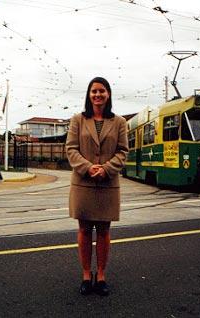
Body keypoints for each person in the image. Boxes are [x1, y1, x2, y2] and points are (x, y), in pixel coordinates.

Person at [66, 77, 128, 296]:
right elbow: (71, 149)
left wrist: (107, 168)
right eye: (94, 91)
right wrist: (89, 167)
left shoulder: (120, 122)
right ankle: (85, 275)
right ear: (89, 94)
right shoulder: (77, 120)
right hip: (83, 183)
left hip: (108, 183)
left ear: (108, 94)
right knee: (84, 229)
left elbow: (123, 151)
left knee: (103, 231)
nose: (98, 95)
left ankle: (101, 276)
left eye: (102, 91)